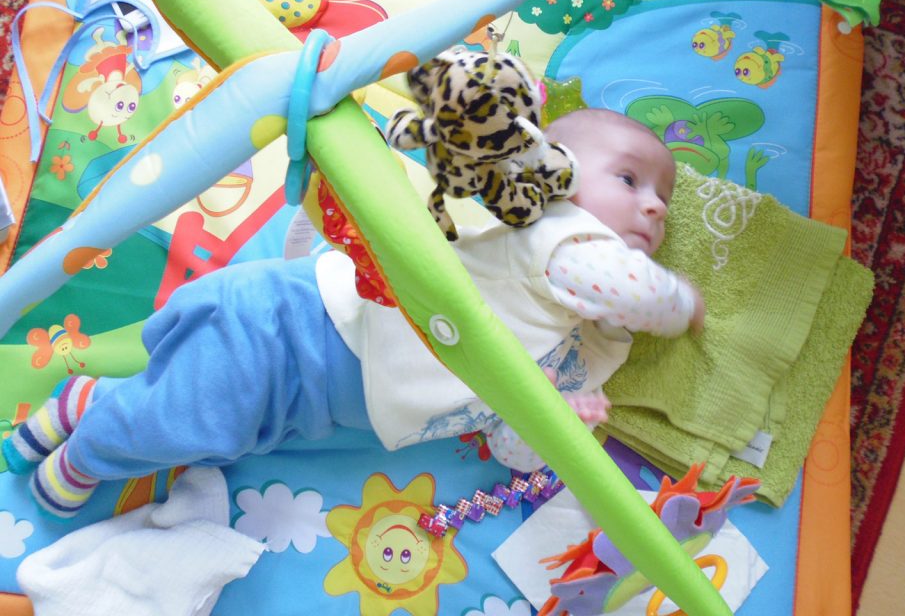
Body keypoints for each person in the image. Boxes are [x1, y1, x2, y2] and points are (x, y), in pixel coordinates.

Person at [3, 107, 703, 519]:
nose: (654, 208)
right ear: (549, 174)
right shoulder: (556, 239)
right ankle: (89, 455)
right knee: (184, 421)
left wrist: (564, 421)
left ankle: (83, 405)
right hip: (293, 338)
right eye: (629, 178)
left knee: (206, 430)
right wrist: (684, 304)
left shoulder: (583, 333)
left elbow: (507, 446)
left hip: (305, 395)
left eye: (664, 202)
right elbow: (630, 288)